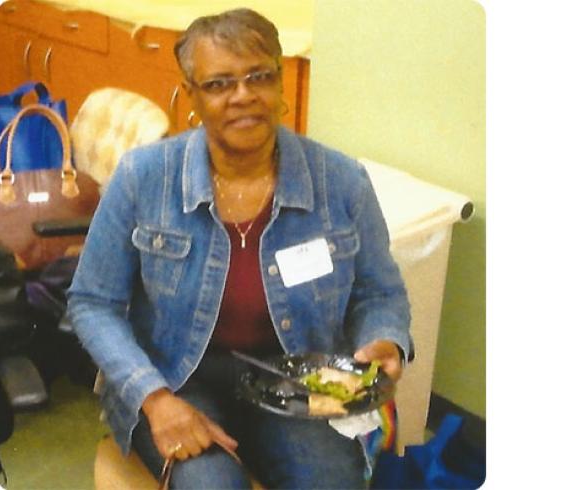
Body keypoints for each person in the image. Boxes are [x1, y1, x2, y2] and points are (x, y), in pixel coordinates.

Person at [68, 8, 413, 489]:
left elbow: (380, 292)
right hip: (175, 376)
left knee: (333, 481)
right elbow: (92, 302)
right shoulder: (144, 177)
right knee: (210, 486)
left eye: (259, 77)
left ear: (281, 86)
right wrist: (155, 399)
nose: (243, 96)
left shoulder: (341, 181)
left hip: (292, 379)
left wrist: (384, 339)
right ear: (192, 96)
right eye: (218, 84)